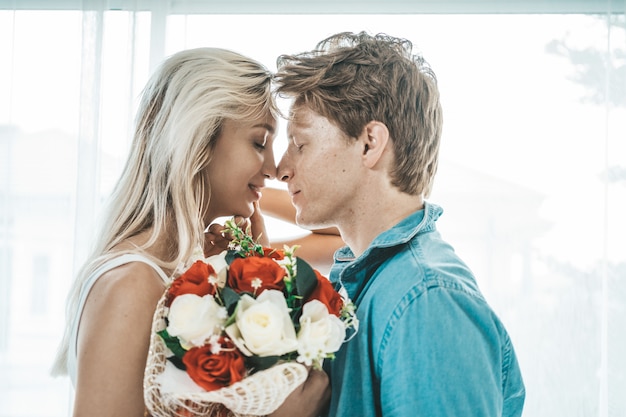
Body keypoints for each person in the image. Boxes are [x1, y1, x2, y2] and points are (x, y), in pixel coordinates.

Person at [51, 47, 329, 417]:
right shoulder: (132, 283)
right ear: (198, 143)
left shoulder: (194, 268)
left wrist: (262, 265)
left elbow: (338, 232)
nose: (274, 167)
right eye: (259, 142)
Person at [273, 31, 526, 417]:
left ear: (369, 143)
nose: (281, 169)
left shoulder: (428, 302)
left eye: (300, 143)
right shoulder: (365, 284)